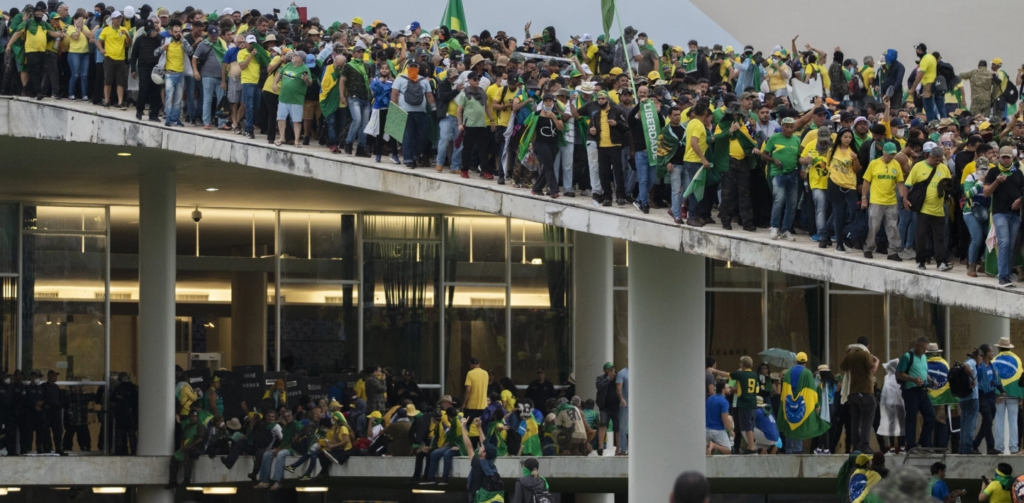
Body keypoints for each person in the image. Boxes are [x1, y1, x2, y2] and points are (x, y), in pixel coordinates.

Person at [904, 146, 953, 271]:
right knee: (921, 234)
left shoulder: (943, 168)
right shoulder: (919, 167)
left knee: (939, 236)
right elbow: (908, 184)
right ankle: (921, 260)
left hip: (939, 209)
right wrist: (905, 199)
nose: (938, 163)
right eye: (936, 160)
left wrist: (948, 194)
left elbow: (948, 185)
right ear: (929, 156)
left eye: (939, 160)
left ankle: (941, 262)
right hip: (923, 208)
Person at [983, 146, 1024, 287]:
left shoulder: (1018, 173)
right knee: (1004, 243)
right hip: (1000, 213)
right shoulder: (993, 171)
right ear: (999, 157)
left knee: (1011, 245)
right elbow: (986, 192)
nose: (1006, 159)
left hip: (1015, 214)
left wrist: (1021, 200)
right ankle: (1003, 276)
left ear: (1012, 158)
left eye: (1008, 157)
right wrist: (997, 181)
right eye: (1003, 157)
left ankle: (1007, 273)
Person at [861, 142, 907, 260]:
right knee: (874, 226)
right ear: (883, 152)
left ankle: (893, 252)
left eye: (893, 154)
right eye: (889, 154)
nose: (891, 157)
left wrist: (903, 198)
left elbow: (900, 182)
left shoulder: (896, 164)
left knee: (892, 227)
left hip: (891, 201)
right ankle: (869, 248)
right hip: (876, 200)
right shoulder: (874, 164)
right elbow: (866, 182)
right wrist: (864, 198)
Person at [761, 116, 802, 240]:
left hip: (793, 173)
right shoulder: (774, 138)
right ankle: (774, 227)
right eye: (787, 127)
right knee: (779, 199)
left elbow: (799, 156)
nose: (789, 130)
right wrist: (773, 160)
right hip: (778, 173)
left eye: (791, 127)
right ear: (782, 127)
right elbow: (764, 154)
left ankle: (786, 229)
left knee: (792, 203)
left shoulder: (796, 140)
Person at [391, 61, 435, 169]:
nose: (414, 68)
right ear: (407, 67)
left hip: (421, 112)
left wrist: (434, 109)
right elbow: (394, 93)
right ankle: (408, 159)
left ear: (418, 67)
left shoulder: (424, 80)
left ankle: (415, 155)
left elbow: (429, 95)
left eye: (416, 66)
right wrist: (394, 109)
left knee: (423, 136)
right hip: (405, 111)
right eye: (412, 66)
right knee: (408, 136)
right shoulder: (400, 79)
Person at [588, 90, 628, 206]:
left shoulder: (617, 111)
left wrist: (617, 124)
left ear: (607, 100)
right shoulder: (596, 115)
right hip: (601, 146)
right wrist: (593, 131)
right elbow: (591, 130)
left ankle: (620, 196)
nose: (600, 101)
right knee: (603, 173)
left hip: (615, 145)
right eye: (599, 99)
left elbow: (626, 126)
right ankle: (607, 197)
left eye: (603, 99)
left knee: (618, 172)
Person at [826, 128, 862, 253]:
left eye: (850, 137)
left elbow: (857, 170)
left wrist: (855, 159)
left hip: (850, 185)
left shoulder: (853, 152)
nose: (848, 139)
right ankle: (839, 243)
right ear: (840, 137)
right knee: (838, 214)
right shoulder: (832, 150)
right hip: (835, 184)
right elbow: (828, 165)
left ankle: (845, 233)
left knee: (853, 210)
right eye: (845, 137)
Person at [840, 336, 879, 453]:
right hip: (866, 392)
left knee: (855, 422)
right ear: (867, 346)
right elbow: (872, 370)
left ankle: (856, 446)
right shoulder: (865, 354)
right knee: (867, 420)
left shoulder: (850, 354)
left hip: (853, 393)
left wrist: (846, 353)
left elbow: (842, 366)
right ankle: (865, 445)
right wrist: (877, 362)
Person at [896, 337, 934, 451]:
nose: (924, 350)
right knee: (911, 418)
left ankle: (923, 442)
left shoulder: (924, 357)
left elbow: (924, 373)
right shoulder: (908, 356)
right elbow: (899, 374)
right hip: (911, 390)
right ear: (916, 345)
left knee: (931, 416)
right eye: (923, 348)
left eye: (926, 348)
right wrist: (913, 380)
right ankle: (911, 445)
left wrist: (931, 381)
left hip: (923, 390)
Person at [962, 144, 993, 277]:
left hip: (985, 212)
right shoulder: (971, 178)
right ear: (976, 169)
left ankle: (985, 263)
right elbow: (968, 194)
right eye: (981, 169)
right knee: (977, 237)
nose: (983, 172)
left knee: (990, 237)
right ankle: (971, 265)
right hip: (970, 211)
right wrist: (979, 183)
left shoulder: (990, 178)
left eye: (985, 169)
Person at [255, 408, 302, 490]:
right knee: (267, 453)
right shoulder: (285, 427)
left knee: (281, 454)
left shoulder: (297, 425)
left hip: (295, 449)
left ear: (292, 416)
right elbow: (283, 442)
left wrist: (280, 450)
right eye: (285, 417)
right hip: (285, 448)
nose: (287, 418)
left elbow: (295, 443)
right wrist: (277, 449)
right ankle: (264, 481)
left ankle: (278, 481)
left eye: (288, 416)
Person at [272, 50, 312, 147]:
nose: (293, 56)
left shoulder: (304, 68)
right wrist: (274, 83)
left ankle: (296, 140)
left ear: (301, 59)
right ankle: (282, 137)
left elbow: (310, 83)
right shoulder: (288, 65)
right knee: (281, 118)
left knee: (296, 121)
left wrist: (306, 80)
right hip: (283, 97)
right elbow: (279, 74)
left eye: (296, 55)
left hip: (296, 100)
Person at [993, 337, 1022, 454]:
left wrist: (995, 394)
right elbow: (1021, 379)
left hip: (999, 395)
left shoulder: (994, 360)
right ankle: (1014, 447)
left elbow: (993, 378)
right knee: (1013, 421)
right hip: (1013, 394)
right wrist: (1021, 396)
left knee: (999, 420)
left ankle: (999, 447)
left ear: (999, 348)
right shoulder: (1017, 359)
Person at [97, 9, 130, 108]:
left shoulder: (124, 29)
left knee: (121, 81)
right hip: (109, 58)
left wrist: (127, 35)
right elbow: (99, 41)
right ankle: (107, 100)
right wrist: (101, 49)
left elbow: (129, 43)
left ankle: (120, 102)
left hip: (120, 58)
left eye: (120, 17)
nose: (119, 20)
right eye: (117, 18)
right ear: (112, 19)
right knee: (108, 80)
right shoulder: (106, 30)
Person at [166, 409, 207, 488]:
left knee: (188, 455)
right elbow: (183, 437)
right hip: (186, 447)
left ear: (197, 417)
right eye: (191, 416)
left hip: (196, 448)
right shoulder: (187, 426)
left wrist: (189, 446)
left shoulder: (200, 426)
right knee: (174, 458)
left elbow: (200, 439)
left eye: (195, 416)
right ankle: (172, 481)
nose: (193, 418)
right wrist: (182, 446)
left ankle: (187, 479)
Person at [729, 356, 759, 454]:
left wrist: (714, 370)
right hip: (752, 403)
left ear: (742, 364)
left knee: (746, 427)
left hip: (744, 404)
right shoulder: (754, 375)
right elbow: (757, 389)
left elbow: (727, 377)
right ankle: (751, 445)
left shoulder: (741, 375)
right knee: (750, 426)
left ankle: (751, 447)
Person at [369, 62, 398, 163]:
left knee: (392, 133)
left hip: (390, 109)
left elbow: (396, 92)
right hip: (379, 108)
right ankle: (378, 154)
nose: (384, 70)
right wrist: (380, 84)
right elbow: (374, 92)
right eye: (382, 68)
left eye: (386, 68)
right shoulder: (376, 80)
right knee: (379, 133)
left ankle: (395, 155)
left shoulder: (392, 81)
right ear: (379, 70)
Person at [463, 357, 489, 448]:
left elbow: (468, 390)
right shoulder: (485, 373)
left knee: (467, 426)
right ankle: (483, 446)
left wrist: (464, 403)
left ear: (471, 364)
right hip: (483, 405)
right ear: (479, 364)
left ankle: (469, 447)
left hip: (472, 405)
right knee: (481, 428)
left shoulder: (470, 373)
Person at [595, 362, 620, 456]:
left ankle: (618, 447)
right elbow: (599, 387)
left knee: (617, 427)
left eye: (612, 369)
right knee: (603, 424)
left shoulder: (618, 377)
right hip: (605, 407)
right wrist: (608, 379)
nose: (611, 371)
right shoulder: (600, 378)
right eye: (608, 369)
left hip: (616, 407)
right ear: (604, 370)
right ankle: (600, 447)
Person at [705, 380, 732, 455]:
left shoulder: (709, 399)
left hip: (706, 429)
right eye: (728, 388)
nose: (729, 389)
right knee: (728, 450)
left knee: (708, 453)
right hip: (718, 430)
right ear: (723, 390)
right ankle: (714, 445)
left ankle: (711, 446)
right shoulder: (724, 402)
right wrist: (731, 431)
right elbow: (725, 419)